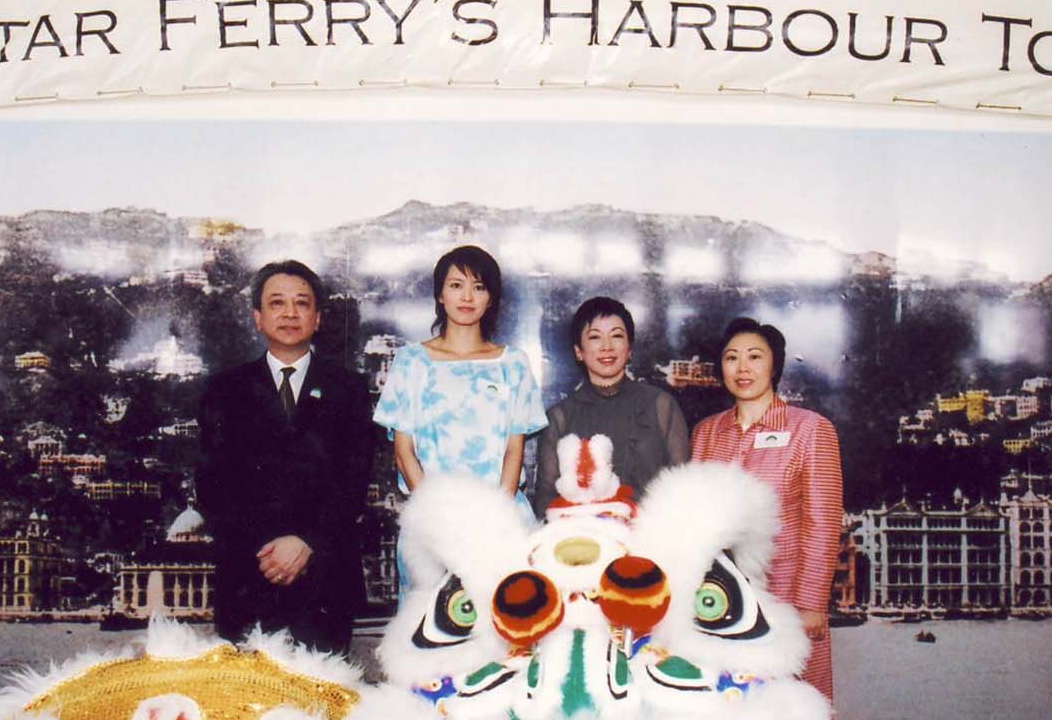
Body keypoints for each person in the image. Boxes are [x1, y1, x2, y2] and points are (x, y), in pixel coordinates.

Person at [195, 260, 373, 653]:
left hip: (325, 577)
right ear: (258, 318)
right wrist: (271, 550)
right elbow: (211, 487)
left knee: (325, 705)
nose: (290, 314)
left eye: (301, 303)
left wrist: (305, 542)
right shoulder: (223, 391)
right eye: (277, 303)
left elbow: (354, 481)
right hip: (248, 576)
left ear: (318, 318)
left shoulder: (350, 390)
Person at [690, 318, 843, 701]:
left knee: (791, 716)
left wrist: (810, 604)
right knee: (728, 712)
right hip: (721, 601)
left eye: (755, 357)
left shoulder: (811, 429)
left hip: (787, 600)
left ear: (774, 365)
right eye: (732, 358)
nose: (743, 368)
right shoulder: (706, 432)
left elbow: (823, 524)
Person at [374, 245, 547, 519]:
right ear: (440, 295)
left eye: (479, 287)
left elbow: (514, 451)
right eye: (456, 285)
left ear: (491, 298)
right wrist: (441, 521)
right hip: (432, 522)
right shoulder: (411, 362)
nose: (467, 297)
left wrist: (495, 520)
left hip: (502, 519)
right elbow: (404, 453)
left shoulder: (513, 363)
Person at [532, 296, 689, 513]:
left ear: (630, 348)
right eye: (595, 337)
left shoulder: (661, 405)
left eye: (616, 336)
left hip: (650, 535)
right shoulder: (560, 416)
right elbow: (545, 497)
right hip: (583, 538)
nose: (607, 347)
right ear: (579, 351)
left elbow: (682, 485)